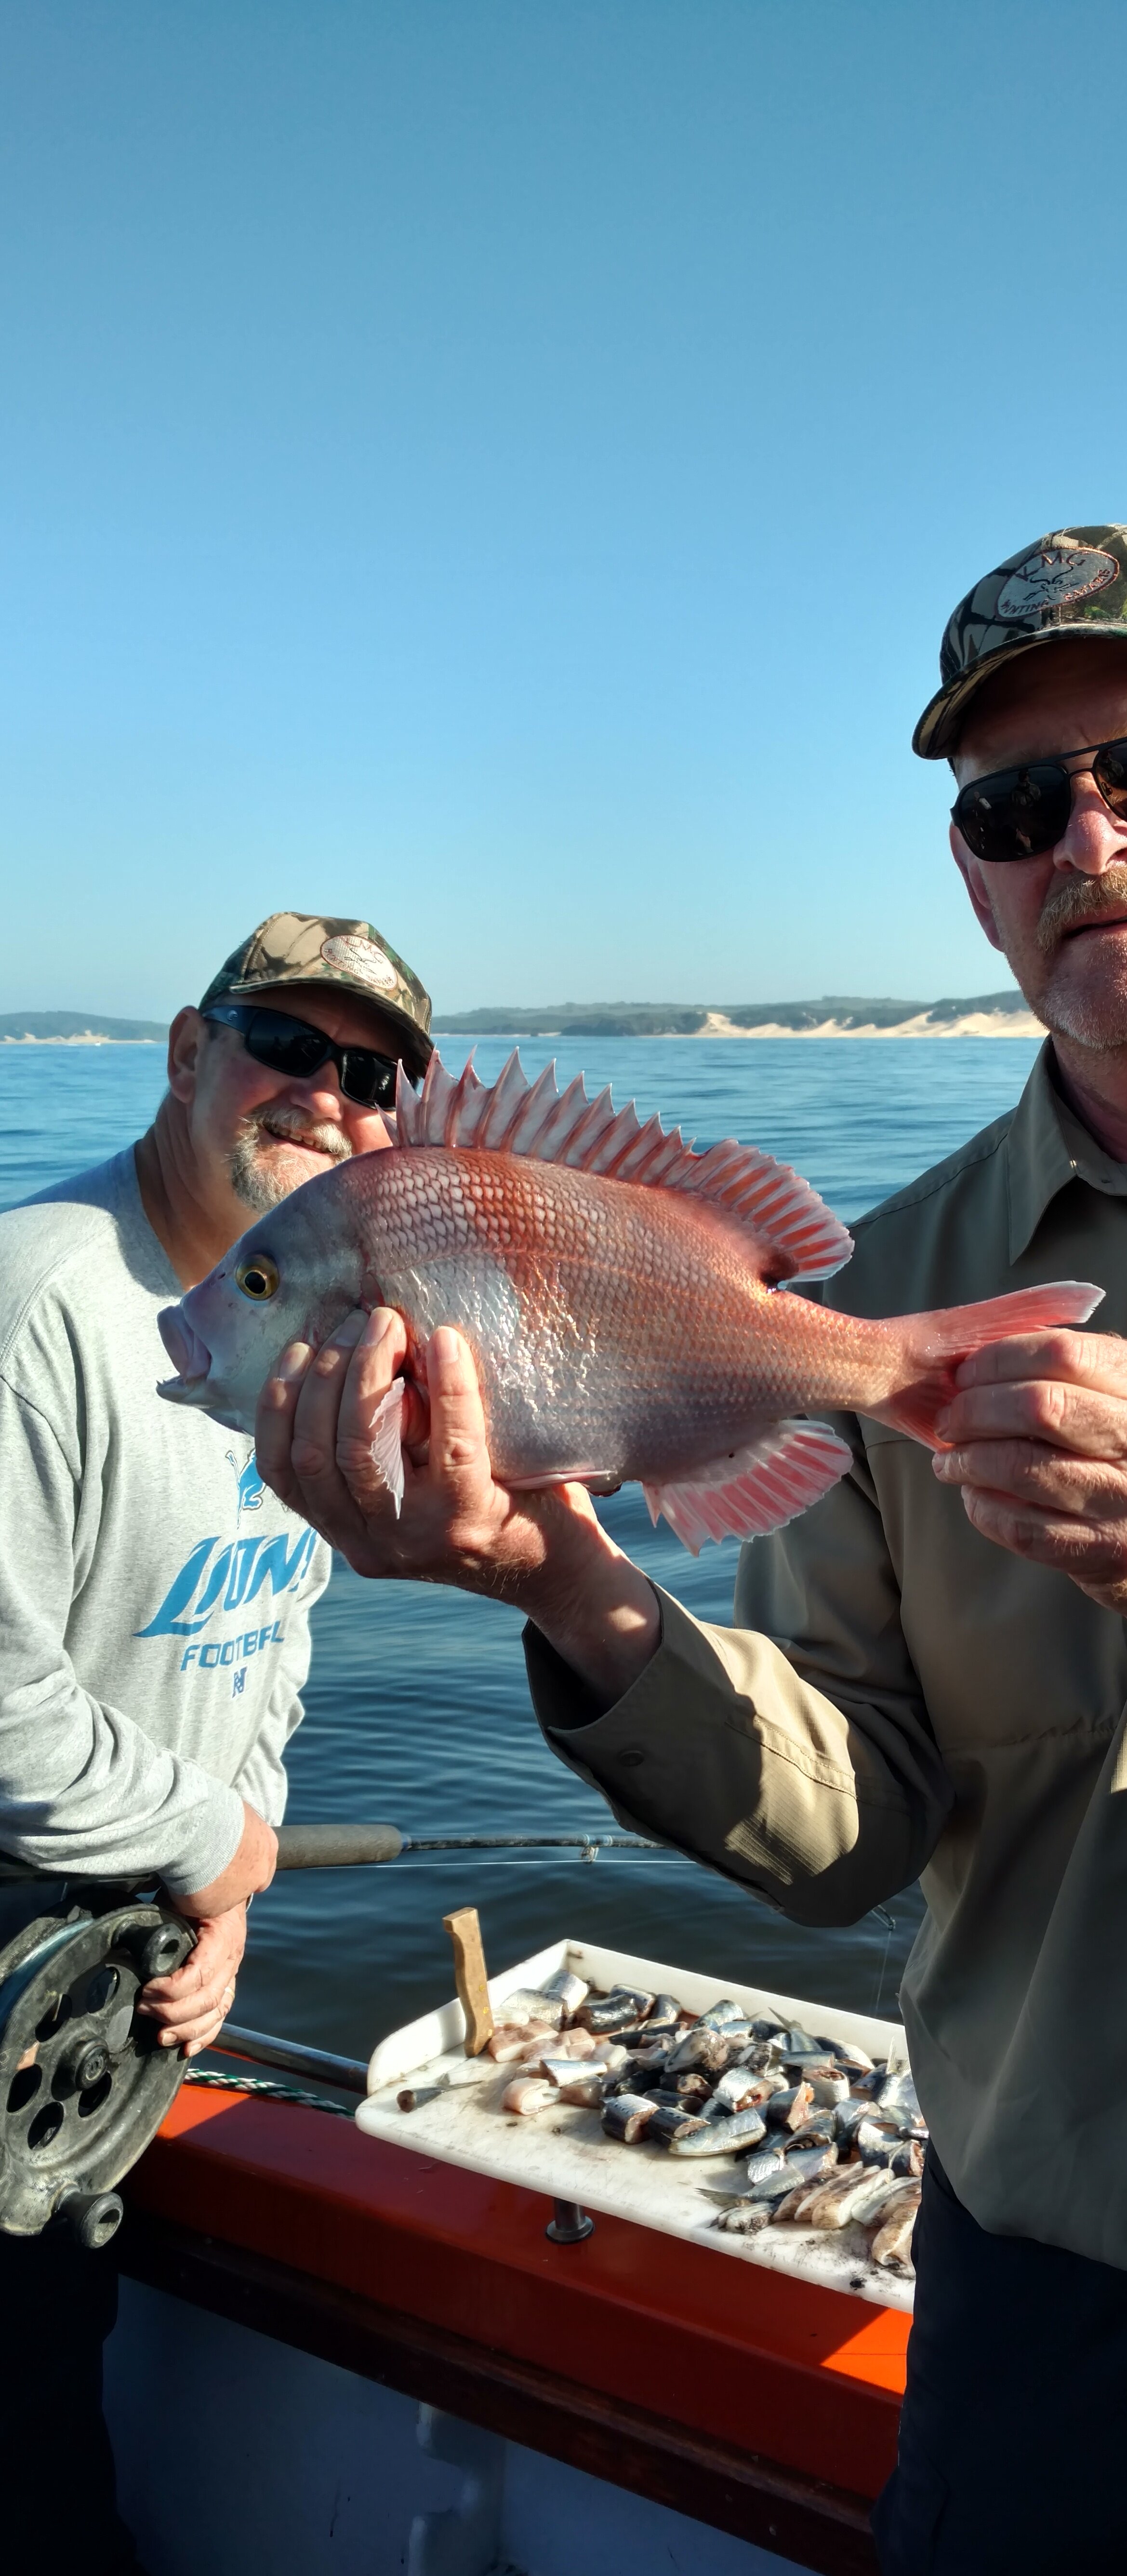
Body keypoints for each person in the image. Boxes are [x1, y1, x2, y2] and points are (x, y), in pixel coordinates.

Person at [256, 531, 1127, 2571]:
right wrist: (569, 1584)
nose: (1085, 838)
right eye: (1009, 806)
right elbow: (852, 1830)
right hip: (1058, 2315)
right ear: (971, 874)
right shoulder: (886, 1292)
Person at [0, 912, 432, 2576]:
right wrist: (213, 1840)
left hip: (113, 1976)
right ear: (188, 1052)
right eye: (288, 1045)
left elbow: (271, 1634)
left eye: (375, 1073)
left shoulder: (317, 1317)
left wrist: (230, 1879)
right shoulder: (48, 1302)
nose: (330, 1098)